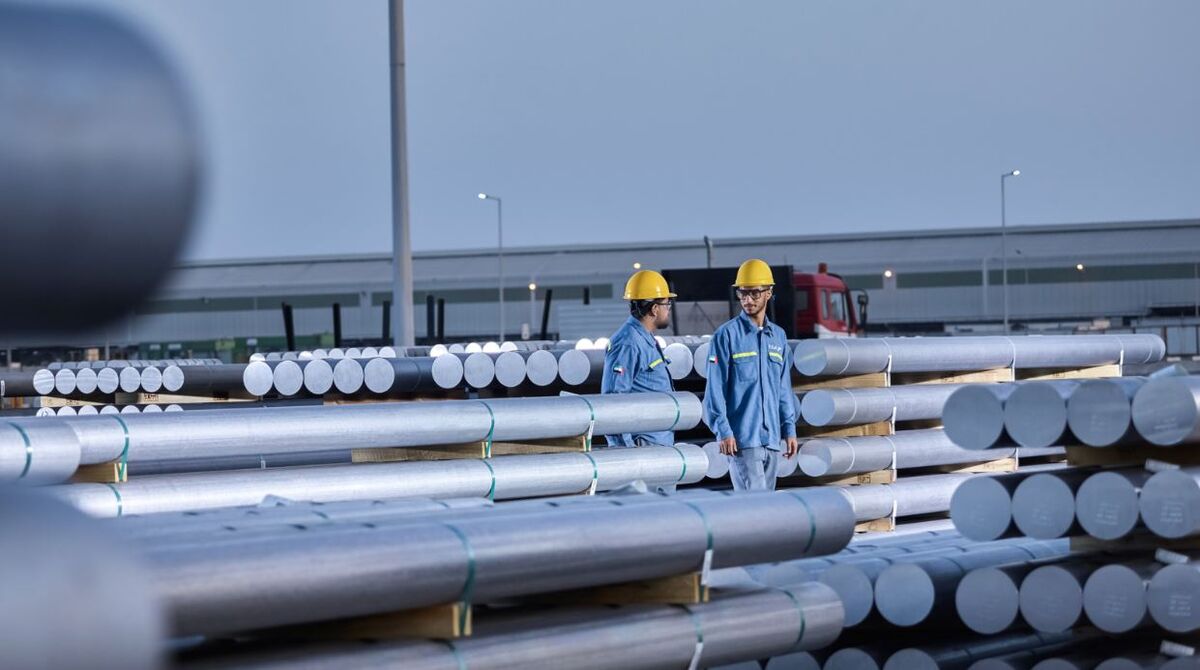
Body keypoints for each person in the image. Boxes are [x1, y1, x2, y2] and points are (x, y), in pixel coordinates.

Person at [703, 259, 798, 490]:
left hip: (772, 439)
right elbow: (714, 389)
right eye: (743, 293)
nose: (748, 299)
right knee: (754, 504)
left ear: (768, 293)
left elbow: (783, 389)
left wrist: (789, 429)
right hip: (742, 439)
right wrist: (723, 431)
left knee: (767, 506)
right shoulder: (726, 336)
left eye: (754, 293)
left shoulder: (778, 337)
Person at [601, 269, 677, 447]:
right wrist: (628, 452)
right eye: (667, 304)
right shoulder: (628, 343)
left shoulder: (644, 338)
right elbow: (613, 402)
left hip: (657, 443)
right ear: (655, 309)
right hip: (644, 448)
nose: (669, 309)